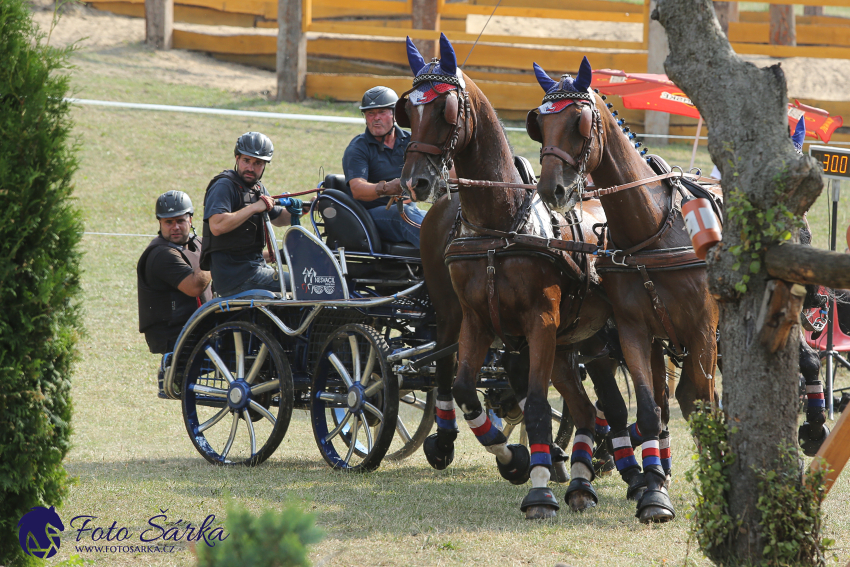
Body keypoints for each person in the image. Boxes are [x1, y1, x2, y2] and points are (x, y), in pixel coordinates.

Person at [200, 131, 302, 297]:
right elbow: (217, 226)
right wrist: (255, 207)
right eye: (246, 161)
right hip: (236, 277)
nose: (250, 168)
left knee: (310, 282)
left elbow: (279, 218)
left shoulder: (257, 188)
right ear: (237, 159)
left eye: (258, 163)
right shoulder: (224, 185)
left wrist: (306, 209)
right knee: (305, 284)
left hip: (255, 270)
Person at [342, 86, 426, 248]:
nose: (376, 118)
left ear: (395, 115)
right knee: (403, 214)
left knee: (443, 219)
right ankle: (443, 262)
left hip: (409, 210)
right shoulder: (358, 148)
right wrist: (388, 188)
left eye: (382, 112)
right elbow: (357, 189)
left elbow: (445, 171)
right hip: (370, 217)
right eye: (370, 113)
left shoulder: (411, 141)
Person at [137, 190, 213, 354]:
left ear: (190, 219)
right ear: (160, 223)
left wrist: (272, 255)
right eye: (168, 222)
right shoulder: (161, 254)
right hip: (175, 335)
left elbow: (230, 256)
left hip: (199, 327)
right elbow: (195, 287)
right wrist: (215, 252)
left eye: (180, 220)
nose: (175, 227)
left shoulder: (197, 243)